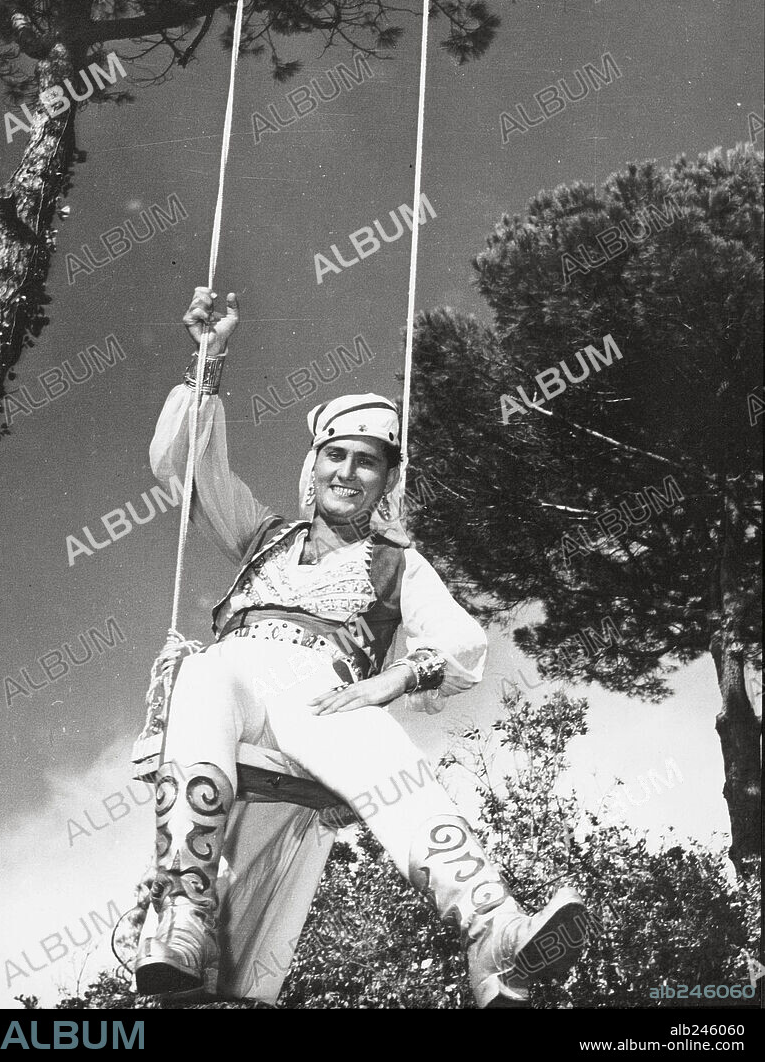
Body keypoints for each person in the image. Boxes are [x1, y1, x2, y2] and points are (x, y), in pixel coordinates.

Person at [135, 286, 589, 1008]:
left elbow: (463, 644)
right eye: (334, 456)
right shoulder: (265, 535)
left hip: (321, 699)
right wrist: (209, 361)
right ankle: (182, 912)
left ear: (386, 479)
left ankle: (495, 932)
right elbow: (187, 470)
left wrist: (390, 682)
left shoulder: (398, 561)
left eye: (367, 461)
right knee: (206, 668)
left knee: (383, 753)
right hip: (230, 688)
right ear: (312, 466)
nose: (347, 471)